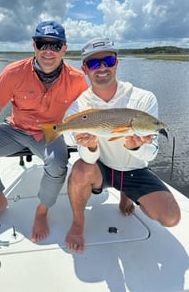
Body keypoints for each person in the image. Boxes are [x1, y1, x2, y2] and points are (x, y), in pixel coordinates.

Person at [0, 20, 88, 242]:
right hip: (15, 128)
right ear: (34, 46)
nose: (48, 51)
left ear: (64, 49)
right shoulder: (13, 72)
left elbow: (86, 112)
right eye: (42, 44)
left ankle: (42, 211)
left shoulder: (77, 79)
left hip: (50, 133)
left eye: (55, 45)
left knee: (57, 163)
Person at [64, 37, 181, 253]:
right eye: (93, 63)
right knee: (80, 169)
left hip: (133, 169)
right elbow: (84, 155)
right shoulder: (79, 106)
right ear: (85, 69)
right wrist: (89, 146)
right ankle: (78, 223)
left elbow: (149, 155)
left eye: (108, 60)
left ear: (117, 62)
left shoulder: (144, 99)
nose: (102, 68)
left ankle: (126, 193)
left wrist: (136, 146)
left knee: (171, 217)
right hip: (101, 168)